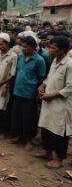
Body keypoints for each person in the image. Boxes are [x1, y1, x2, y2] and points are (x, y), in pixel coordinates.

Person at [36, 36, 72, 169]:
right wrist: (43, 85)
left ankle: (59, 158)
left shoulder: (69, 64)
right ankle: (48, 152)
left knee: (59, 131)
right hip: (48, 100)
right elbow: (49, 78)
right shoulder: (54, 61)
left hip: (60, 105)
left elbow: (69, 88)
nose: (50, 50)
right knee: (47, 128)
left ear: (62, 50)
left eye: (53, 48)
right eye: (50, 47)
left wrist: (51, 96)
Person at [10, 36, 46, 151]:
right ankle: (18, 136)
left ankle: (28, 140)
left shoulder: (39, 60)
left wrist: (37, 94)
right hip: (17, 91)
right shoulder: (20, 57)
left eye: (25, 46)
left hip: (29, 93)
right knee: (17, 116)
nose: (22, 48)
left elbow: (41, 78)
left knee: (28, 118)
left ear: (33, 47)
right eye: (22, 46)